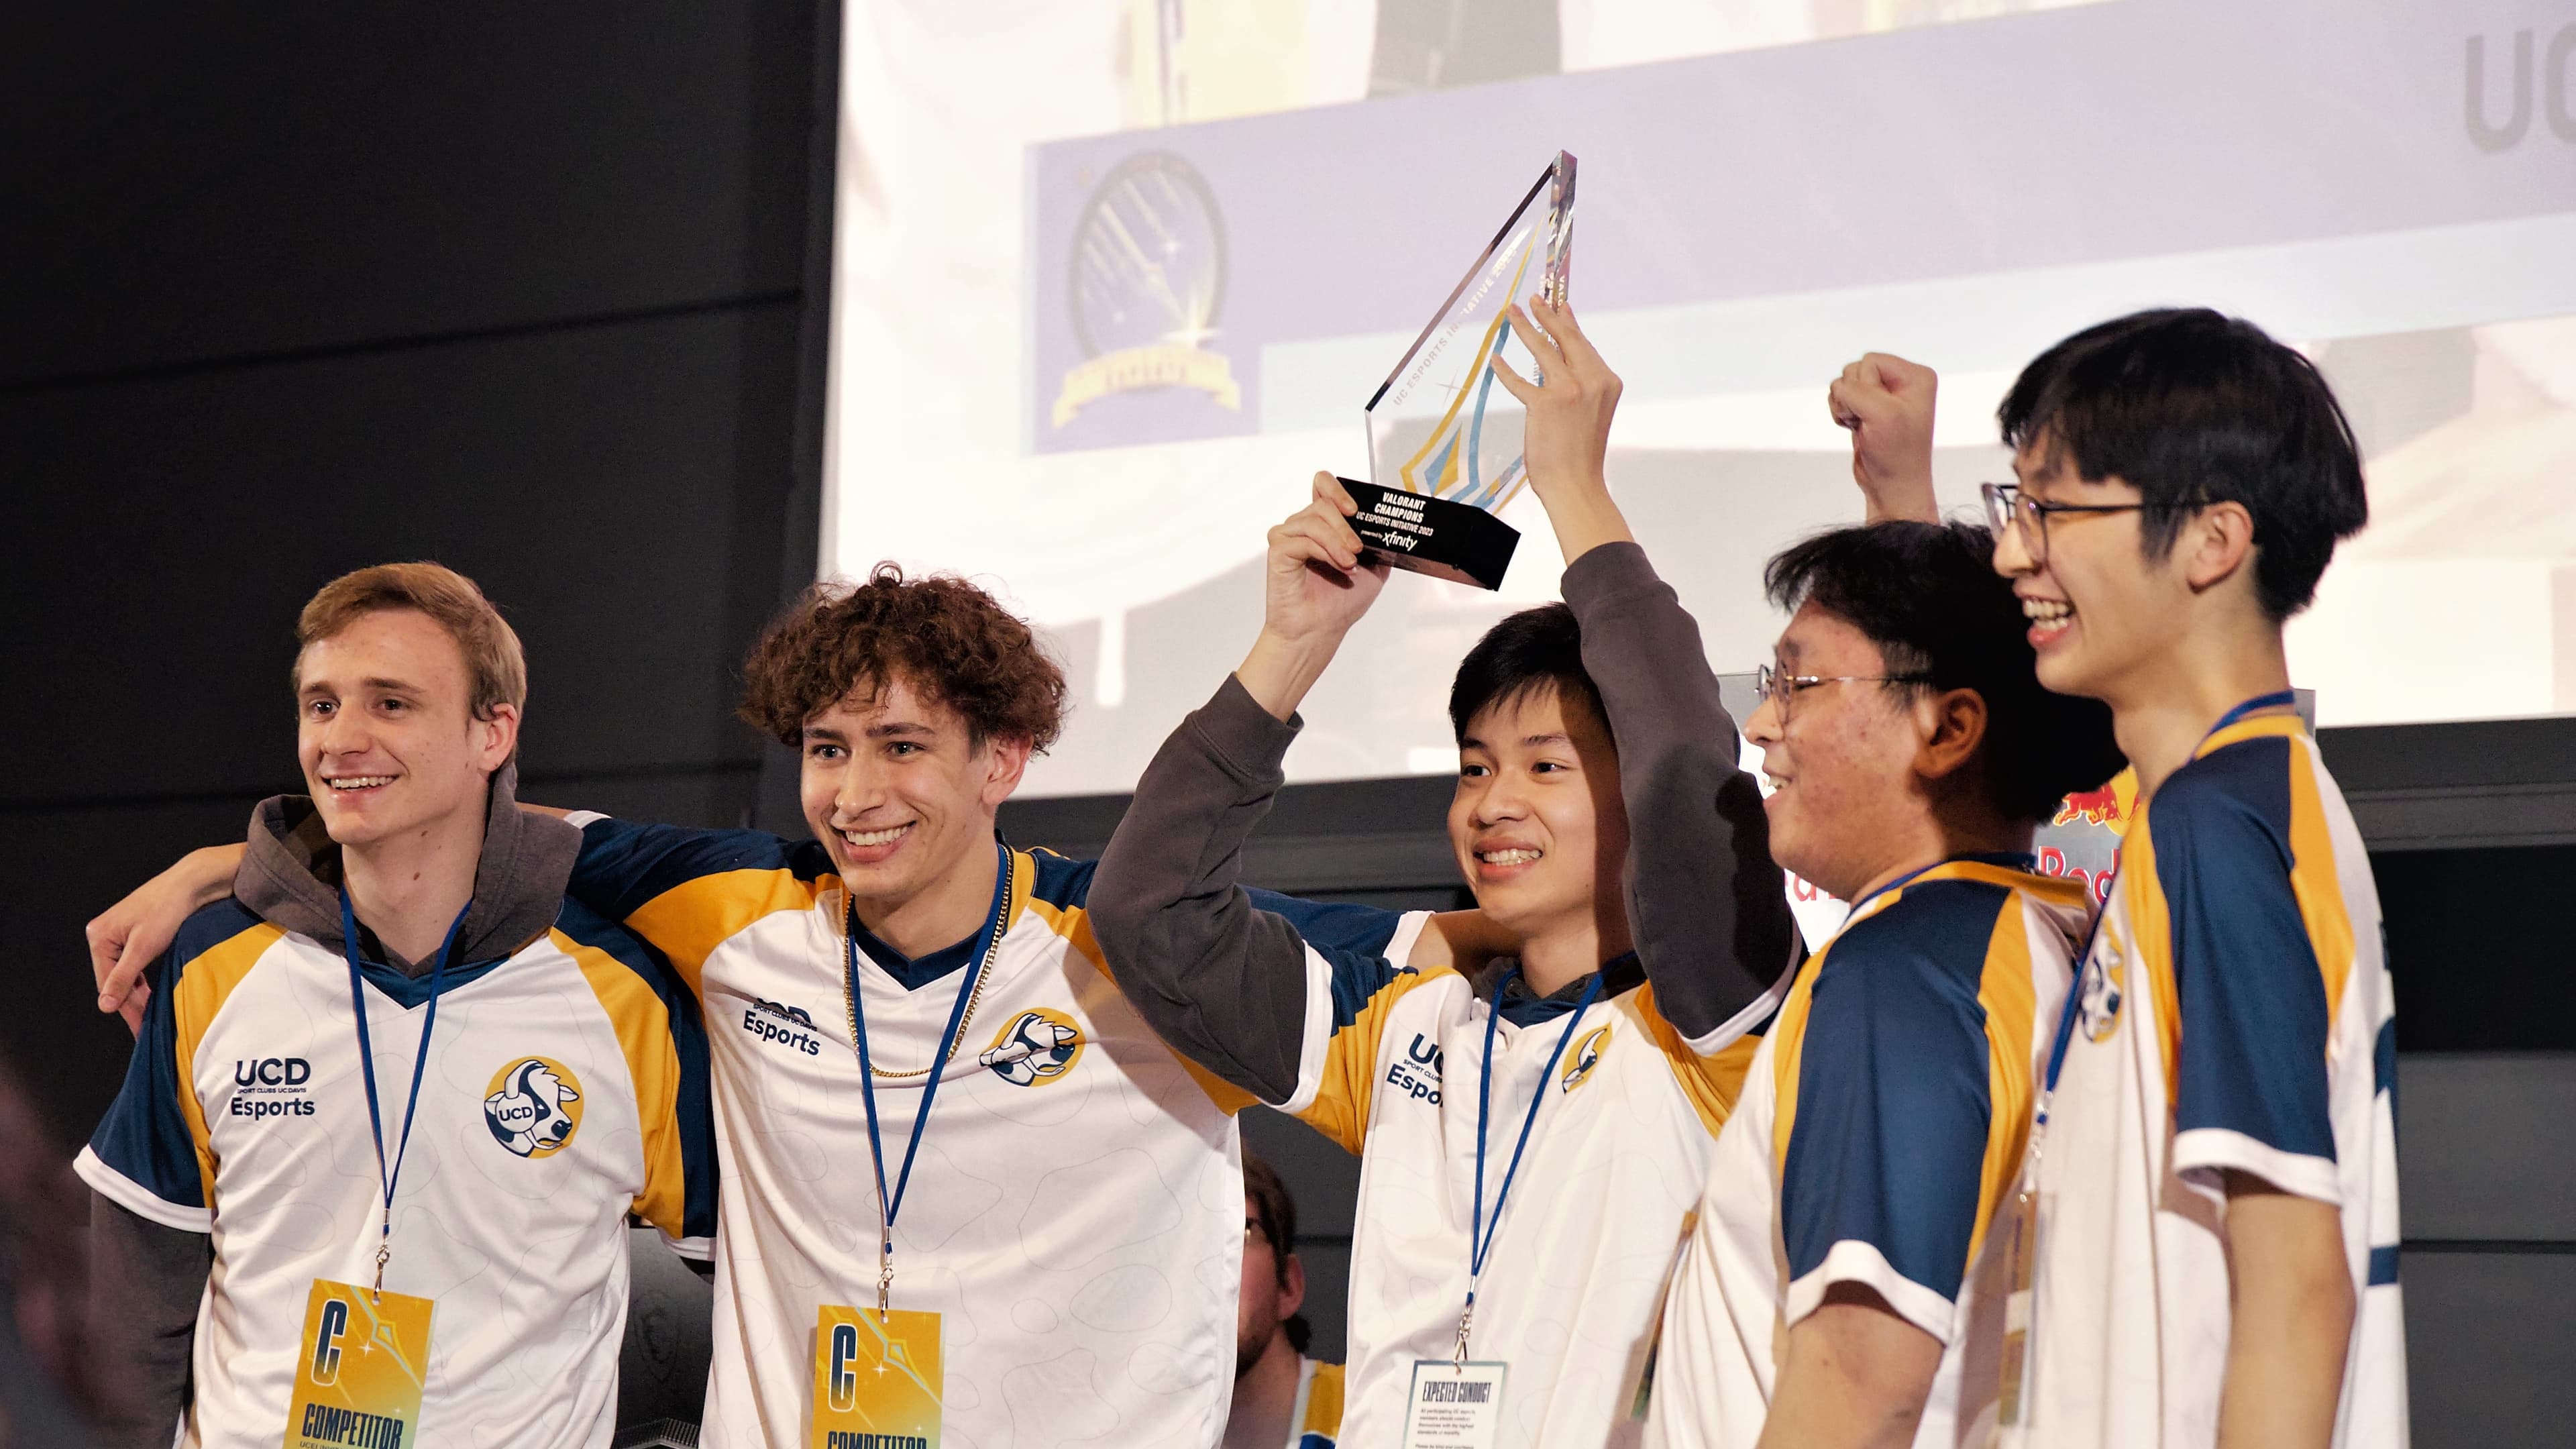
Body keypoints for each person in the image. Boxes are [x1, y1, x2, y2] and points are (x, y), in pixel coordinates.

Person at [87, 566, 1504, 1448]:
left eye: (903, 746)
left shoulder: (1144, 949)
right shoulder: (737, 910)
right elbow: (452, 824)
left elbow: (1478, 952)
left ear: (1004, 757)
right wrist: (227, 864)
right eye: (828, 749)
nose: (856, 793)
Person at [1087, 295, 1797, 1447]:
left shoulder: (1716, 1028)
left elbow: (1682, 770)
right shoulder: (1406, 1027)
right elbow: (1152, 913)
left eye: (1546, 766)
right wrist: (1296, 645)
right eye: (1474, 767)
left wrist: (1575, 490)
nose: (1494, 803)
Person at [76, 563, 716, 1448]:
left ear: (492, 734)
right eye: (322, 704)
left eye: (391, 703)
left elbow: (766, 1277)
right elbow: (136, 1291)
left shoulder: (621, 991)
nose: (341, 740)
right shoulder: (216, 961)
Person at [1640, 353, 2127, 1446]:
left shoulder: (1902, 975)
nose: (1761, 725)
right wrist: (1899, 501)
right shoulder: (2033, 934)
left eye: (1797, 682)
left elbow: (1859, 1384)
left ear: (1951, 731)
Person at [1983, 309, 2402, 1449]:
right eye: (2014, 506)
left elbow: (2297, 1291)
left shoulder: (2220, 826)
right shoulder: (2228, 805)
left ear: (2214, 541)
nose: (2013, 553)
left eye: (2052, 510)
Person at [1230, 1155, 1341, 1449]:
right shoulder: (1127, 1431)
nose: (1204, 1267)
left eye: (1235, 1234)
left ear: (1288, 1286)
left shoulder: (1372, 1413)